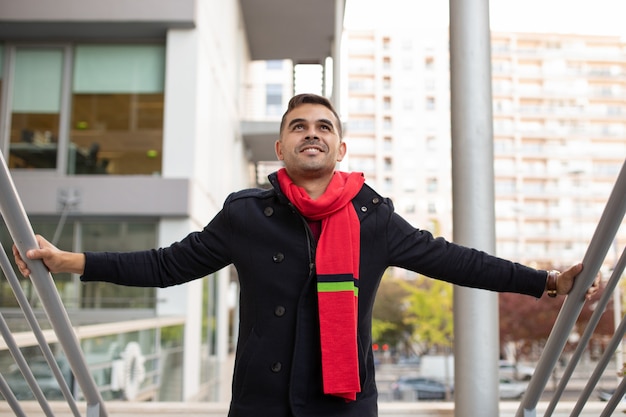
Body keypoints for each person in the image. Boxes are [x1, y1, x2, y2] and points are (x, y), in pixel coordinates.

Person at [14, 93, 598, 417]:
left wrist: (547, 281)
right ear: (282, 146)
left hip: (343, 407)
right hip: (259, 407)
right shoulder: (246, 213)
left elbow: (455, 261)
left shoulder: (375, 218)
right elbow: (168, 264)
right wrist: (73, 262)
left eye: (323, 126)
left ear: (341, 147)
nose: (310, 133)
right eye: (298, 126)